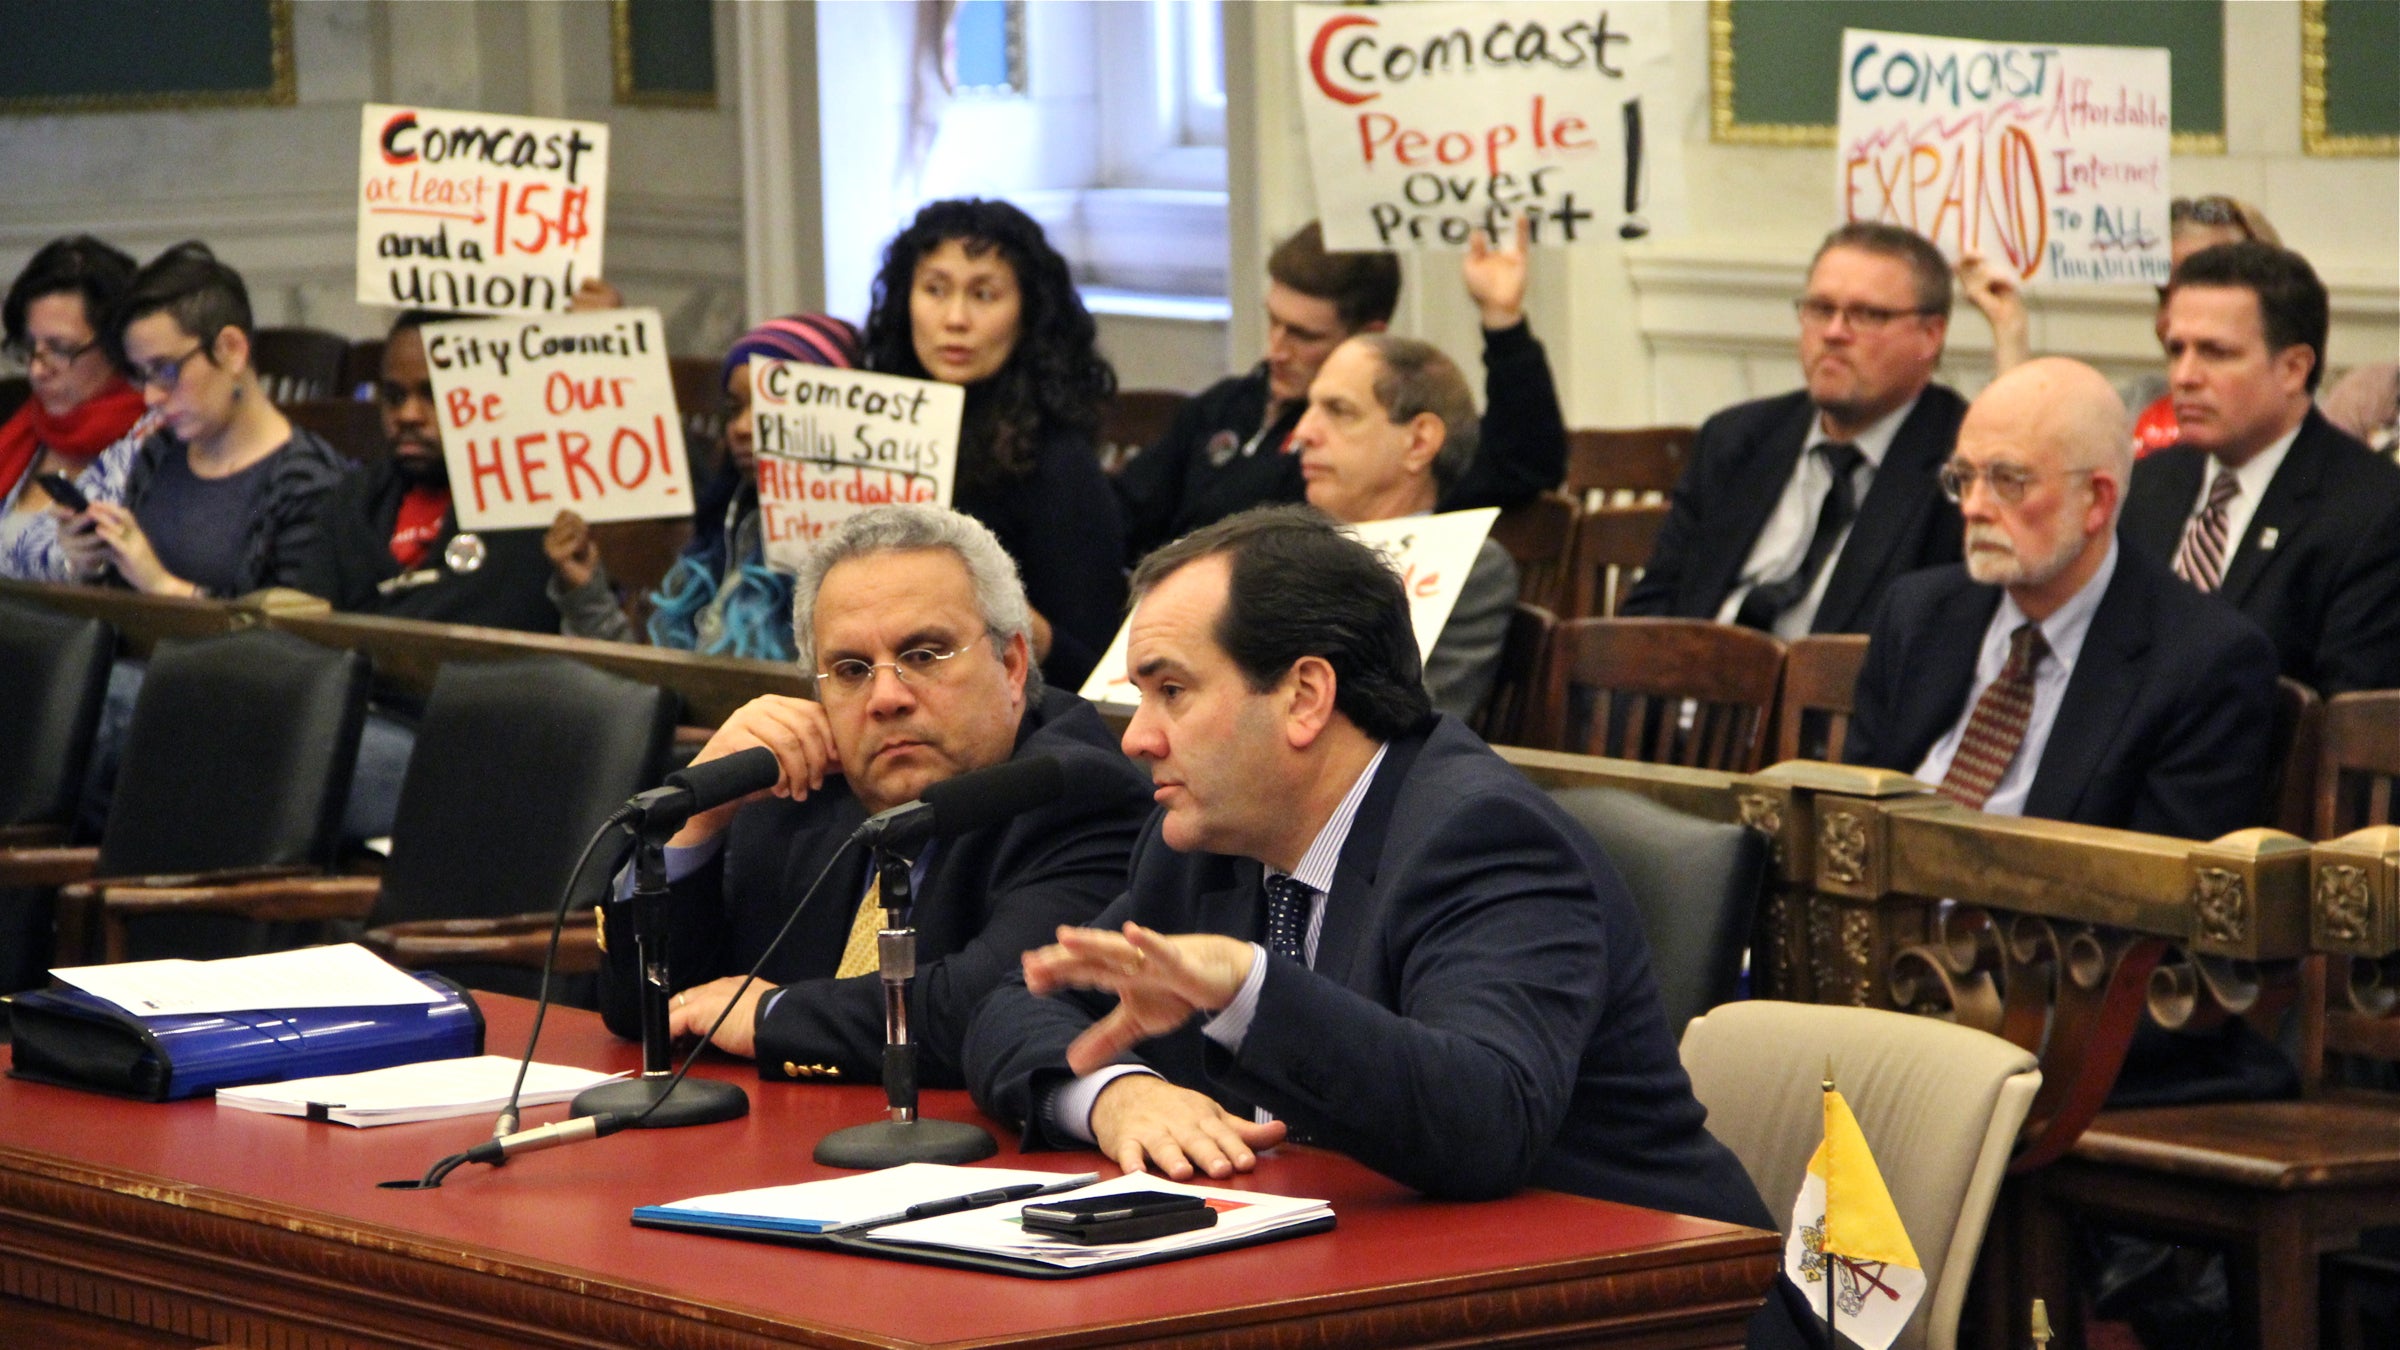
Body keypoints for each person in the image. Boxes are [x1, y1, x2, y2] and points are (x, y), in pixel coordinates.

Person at [962, 507, 1802, 1347]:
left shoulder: (1482, 838)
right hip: (1373, 1290)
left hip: (1646, 1312)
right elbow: (1012, 1004)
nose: (1140, 737)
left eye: (1172, 691)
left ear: (1304, 696)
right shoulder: (1199, 840)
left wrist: (1251, 990)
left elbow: (1485, 1119)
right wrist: (1118, 1095)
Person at [599, 504, 1154, 1087]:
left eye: (922, 655)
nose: (886, 696)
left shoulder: (1077, 793)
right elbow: (645, 1011)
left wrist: (770, 1015)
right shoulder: (797, 788)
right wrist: (698, 819)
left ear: (1012, 664)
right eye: (851, 669)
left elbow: (998, 1005)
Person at [1845, 358, 2278, 841]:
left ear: (2096, 501)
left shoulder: (2202, 664)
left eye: (2008, 481)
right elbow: (1850, 815)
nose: (1973, 507)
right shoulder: (1917, 613)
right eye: (1963, 477)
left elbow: (2160, 894)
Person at [1112, 218, 1567, 563]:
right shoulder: (1228, 405)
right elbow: (1121, 517)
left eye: (1303, 336)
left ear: (1368, 333)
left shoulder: (1381, 444)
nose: (1276, 350)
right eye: (1273, 321)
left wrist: (1502, 320)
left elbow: (1525, 461)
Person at [1623, 222, 1964, 637]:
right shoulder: (1737, 438)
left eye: (1866, 314)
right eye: (1820, 309)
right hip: (1693, 687)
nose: (1834, 332)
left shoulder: (1962, 465)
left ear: (1930, 335)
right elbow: (1652, 606)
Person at [858, 198, 1127, 689]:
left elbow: (1099, 671)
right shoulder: (866, 428)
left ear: (1027, 313)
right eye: (935, 290)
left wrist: (1015, 621)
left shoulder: (1057, 462)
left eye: (984, 295)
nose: (955, 318)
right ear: (905, 300)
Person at [2119, 241, 2400, 694]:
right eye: (2176, 350)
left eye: (2215, 352)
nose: (2184, 376)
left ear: (2293, 368)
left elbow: (2348, 726)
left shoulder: (2374, 514)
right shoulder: (2147, 483)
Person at [548, 312, 863, 660]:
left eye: (768, 408)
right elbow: (661, 690)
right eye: (734, 408)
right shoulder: (722, 539)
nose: (741, 427)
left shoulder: (864, 555)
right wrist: (586, 592)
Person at [57, 242, 346, 598]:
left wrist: (164, 586)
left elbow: (293, 639)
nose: (151, 396)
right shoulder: (160, 450)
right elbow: (123, 608)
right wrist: (92, 566)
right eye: (142, 375)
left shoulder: (310, 482)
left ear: (231, 350)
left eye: (165, 369)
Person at [1289, 333, 1516, 719]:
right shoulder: (1281, 550)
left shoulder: (1468, 564)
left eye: (1339, 410)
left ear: (1418, 442)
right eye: (1310, 408)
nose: (1303, 433)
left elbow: (1410, 720)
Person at [294, 309, 558, 631]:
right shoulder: (352, 502)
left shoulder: (527, 514)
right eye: (393, 396)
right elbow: (306, 629)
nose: (407, 415)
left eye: (433, 395)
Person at [1959, 194, 2280, 454]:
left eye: (2201, 290)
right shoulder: (2131, 409)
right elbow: (2027, 462)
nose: (2171, 322)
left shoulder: (2297, 433)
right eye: (2164, 294)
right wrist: (2008, 328)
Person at [1, 236, 153, 580]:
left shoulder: (154, 441)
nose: (38, 369)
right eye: (29, 347)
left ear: (118, 345)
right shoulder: (28, 429)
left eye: (60, 349)